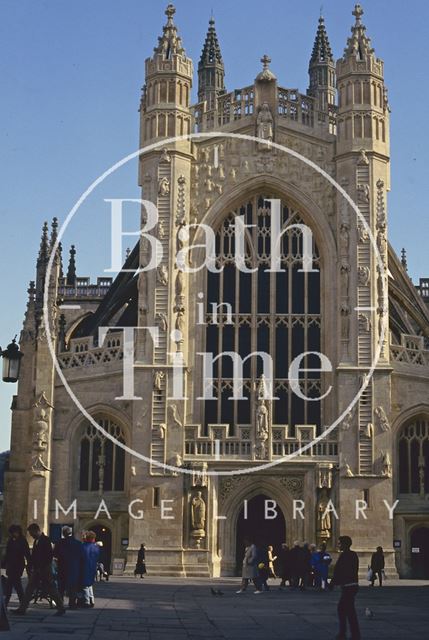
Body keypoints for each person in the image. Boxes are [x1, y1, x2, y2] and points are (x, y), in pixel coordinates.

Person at [12, 523, 65, 616]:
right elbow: (34, 556)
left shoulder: (46, 540)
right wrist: (31, 565)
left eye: (31, 533)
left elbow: (49, 556)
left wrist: (42, 567)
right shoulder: (37, 541)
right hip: (37, 569)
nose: (31, 535)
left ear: (36, 530)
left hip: (45, 569)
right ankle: (22, 608)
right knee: (29, 588)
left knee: (51, 588)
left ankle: (61, 607)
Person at [330, 535, 361, 640]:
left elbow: (339, 570)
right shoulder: (353, 555)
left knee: (344, 609)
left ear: (344, 544)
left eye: (339, 543)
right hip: (352, 585)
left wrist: (333, 583)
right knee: (347, 609)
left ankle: (346, 633)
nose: (338, 545)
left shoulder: (345, 555)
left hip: (348, 586)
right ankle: (351, 633)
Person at [54, 526, 84, 609]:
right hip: (74, 568)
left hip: (62, 567)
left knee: (61, 587)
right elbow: (82, 557)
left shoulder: (59, 542)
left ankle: (60, 604)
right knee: (73, 587)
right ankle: (72, 604)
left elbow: (55, 554)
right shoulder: (78, 543)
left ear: (63, 533)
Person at [2, 525, 31, 608]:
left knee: (13, 585)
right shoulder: (11, 540)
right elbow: (7, 553)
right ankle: (21, 604)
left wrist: (29, 564)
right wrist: (4, 563)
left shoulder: (22, 541)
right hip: (11, 566)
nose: (12, 534)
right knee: (13, 585)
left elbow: (27, 554)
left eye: (13, 533)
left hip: (18, 566)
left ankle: (9, 604)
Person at [81, 531, 100, 608]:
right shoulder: (96, 547)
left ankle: (87, 601)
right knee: (89, 584)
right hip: (92, 567)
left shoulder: (83, 546)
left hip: (84, 566)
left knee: (85, 585)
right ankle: (92, 600)